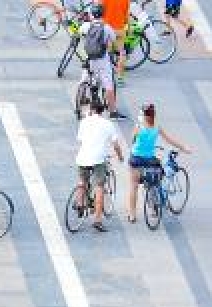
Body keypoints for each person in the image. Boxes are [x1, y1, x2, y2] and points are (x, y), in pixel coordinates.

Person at [125, 103, 193, 223]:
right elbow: (169, 140)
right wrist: (184, 147)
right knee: (154, 180)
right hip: (150, 159)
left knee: (134, 186)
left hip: (136, 159)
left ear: (143, 114)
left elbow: (132, 141)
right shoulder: (157, 127)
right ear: (154, 114)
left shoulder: (139, 126)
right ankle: (153, 208)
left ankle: (132, 215)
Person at [73, 100, 125, 232]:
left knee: (82, 181)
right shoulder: (108, 124)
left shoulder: (84, 122)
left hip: (82, 157)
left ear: (91, 109)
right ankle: (97, 220)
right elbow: (116, 145)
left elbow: (80, 140)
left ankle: (79, 204)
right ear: (103, 111)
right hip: (98, 159)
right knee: (99, 187)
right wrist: (120, 156)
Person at [81, 5, 119, 116]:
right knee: (108, 85)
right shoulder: (107, 28)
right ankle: (112, 111)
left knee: (84, 78)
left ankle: (81, 97)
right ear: (103, 15)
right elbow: (113, 41)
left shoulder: (85, 26)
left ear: (91, 15)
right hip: (102, 59)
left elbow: (80, 35)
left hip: (88, 58)